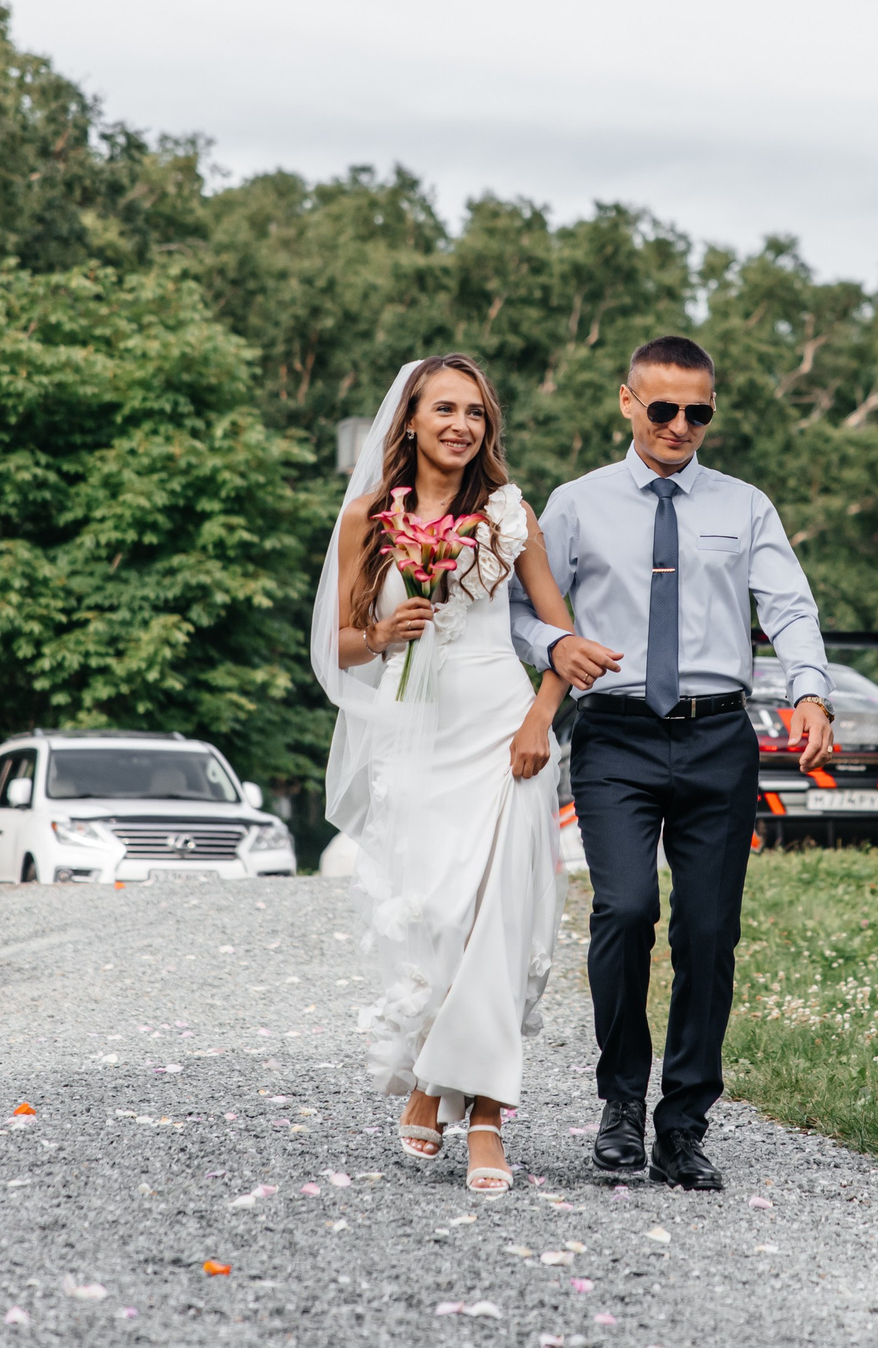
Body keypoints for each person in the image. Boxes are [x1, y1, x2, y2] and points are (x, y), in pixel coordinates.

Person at [509, 334, 834, 1189]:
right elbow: (521, 609)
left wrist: (810, 692)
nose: (680, 425)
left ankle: (683, 1122)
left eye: (698, 412)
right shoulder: (577, 503)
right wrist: (560, 642)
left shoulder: (745, 505)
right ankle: (620, 1102)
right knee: (623, 911)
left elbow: (790, 608)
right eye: (663, 409)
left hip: (718, 736)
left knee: (708, 933)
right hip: (616, 733)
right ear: (627, 403)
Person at [310, 354, 584, 1194]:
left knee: (498, 917)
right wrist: (388, 631)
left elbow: (561, 636)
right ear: (413, 421)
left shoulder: (509, 515)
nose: (462, 425)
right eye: (445, 410)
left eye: (476, 413)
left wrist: (541, 723)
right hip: (419, 734)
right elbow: (339, 646)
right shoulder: (368, 518)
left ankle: (489, 1118)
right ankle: (431, 1081)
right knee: (442, 918)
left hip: (505, 729)